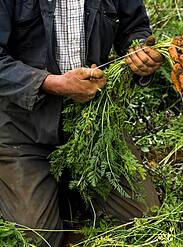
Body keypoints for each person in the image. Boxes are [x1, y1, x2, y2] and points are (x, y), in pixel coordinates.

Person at [0, 0, 163, 246]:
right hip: (23, 126)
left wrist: (141, 54)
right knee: (36, 239)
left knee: (145, 221)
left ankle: (67, 182)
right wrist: (52, 83)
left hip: (94, 123)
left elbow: (135, 29)